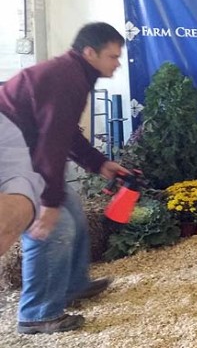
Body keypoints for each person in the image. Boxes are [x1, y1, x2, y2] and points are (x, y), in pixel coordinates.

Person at [0, 22, 129, 334]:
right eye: (112, 56)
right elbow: (52, 144)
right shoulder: (67, 78)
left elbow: (64, 131)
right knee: (53, 226)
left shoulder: (74, 74)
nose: (118, 63)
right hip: (12, 150)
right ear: (89, 53)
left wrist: (98, 163)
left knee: (73, 212)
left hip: (26, 146)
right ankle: (37, 314)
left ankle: (73, 285)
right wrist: (48, 202)